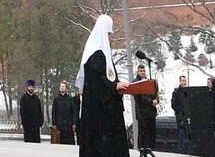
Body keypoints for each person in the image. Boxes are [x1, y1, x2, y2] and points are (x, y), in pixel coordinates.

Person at [78, 15, 131, 157]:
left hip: (109, 112)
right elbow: (97, 84)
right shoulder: (95, 55)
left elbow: (109, 79)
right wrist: (114, 87)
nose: (110, 38)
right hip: (99, 115)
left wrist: (118, 87)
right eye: (108, 34)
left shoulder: (104, 56)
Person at [176, 74, 211, 156]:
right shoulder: (176, 92)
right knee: (181, 136)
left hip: (191, 119)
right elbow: (175, 105)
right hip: (181, 118)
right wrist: (182, 114)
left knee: (190, 138)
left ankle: (190, 152)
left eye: (185, 80)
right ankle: (181, 153)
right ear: (180, 81)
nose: (184, 82)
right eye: (182, 80)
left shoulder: (190, 91)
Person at [136, 63, 164, 156]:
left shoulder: (149, 81)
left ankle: (149, 148)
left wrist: (156, 100)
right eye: (141, 71)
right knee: (142, 132)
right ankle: (142, 150)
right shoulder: (135, 82)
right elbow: (139, 96)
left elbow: (155, 93)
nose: (143, 72)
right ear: (137, 71)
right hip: (142, 111)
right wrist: (151, 101)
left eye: (144, 70)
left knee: (151, 132)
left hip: (151, 111)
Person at [56, 81, 82, 146]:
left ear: (66, 88)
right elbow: (54, 112)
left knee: (70, 143)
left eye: (63, 87)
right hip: (60, 124)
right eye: (61, 86)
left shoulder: (70, 99)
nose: (62, 88)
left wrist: (74, 123)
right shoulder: (56, 99)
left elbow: (73, 112)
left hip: (68, 125)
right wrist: (54, 123)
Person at [22, 80, 46, 144]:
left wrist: (41, 121)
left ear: (34, 88)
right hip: (28, 125)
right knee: (28, 142)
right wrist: (24, 123)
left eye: (32, 87)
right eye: (29, 87)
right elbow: (22, 112)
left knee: (36, 142)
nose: (31, 88)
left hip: (36, 125)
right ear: (27, 87)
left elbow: (40, 110)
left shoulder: (36, 98)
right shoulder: (23, 98)